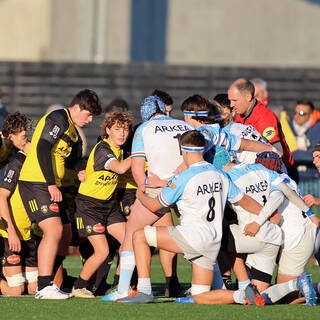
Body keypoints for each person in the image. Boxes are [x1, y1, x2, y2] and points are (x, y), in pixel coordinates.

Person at [115, 130, 267, 305]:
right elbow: (245, 201)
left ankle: (144, 291)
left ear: (183, 151)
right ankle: (241, 295)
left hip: (192, 237)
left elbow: (154, 206)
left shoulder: (182, 177)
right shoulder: (220, 174)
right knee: (200, 297)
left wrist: (140, 194)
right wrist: (266, 215)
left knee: (139, 236)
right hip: (212, 242)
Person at [102, 95, 193, 301]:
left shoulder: (143, 129)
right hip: (187, 185)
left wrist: (142, 190)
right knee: (197, 234)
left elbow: (137, 169)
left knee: (132, 234)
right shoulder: (183, 125)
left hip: (158, 188)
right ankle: (206, 286)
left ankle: (127, 288)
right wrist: (175, 178)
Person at [18, 89, 102, 299]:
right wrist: (50, 185)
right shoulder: (58, 119)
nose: (90, 120)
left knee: (65, 234)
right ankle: (44, 286)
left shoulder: (73, 131)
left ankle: (46, 280)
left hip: (52, 185)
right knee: (54, 230)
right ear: (76, 108)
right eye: (88, 114)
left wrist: (79, 169)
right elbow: (43, 148)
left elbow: (71, 159)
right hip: (37, 181)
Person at [72, 111, 132, 298]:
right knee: (103, 251)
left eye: (125, 129)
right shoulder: (103, 149)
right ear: (108, 130)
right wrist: (142, 152)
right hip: (89, 206)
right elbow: (121, 168)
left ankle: (118, 286)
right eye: (117, 129)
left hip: (108, 205)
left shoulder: (120, 151)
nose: (122, 133)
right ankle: (79, 286)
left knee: (130, 243)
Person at [229, 78, 298, 183]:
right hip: (255, 173)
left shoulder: (264, 118)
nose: (231, 105)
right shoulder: (241, 114)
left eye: (234, 100)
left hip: (280, 174)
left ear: (248, 97)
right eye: (230, 100)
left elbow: (277, 153)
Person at [0, 115, 38, 296]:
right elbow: (2, 197)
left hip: (29, 233)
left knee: (34, 289)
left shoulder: (37, 159)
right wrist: (12, 233)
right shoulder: (17, 162)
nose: (25, 135)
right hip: (11, 234)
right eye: (21, 133)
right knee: (16, 290)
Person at [285, 101, 320, 179]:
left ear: (310, 115)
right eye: (295, 113)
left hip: (315, 177)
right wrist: (308, 151)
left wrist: (293, 153)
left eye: (301, 113)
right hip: (291, 177)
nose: (297, 116)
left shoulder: (317, 129)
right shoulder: (286, 127)